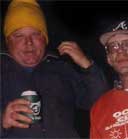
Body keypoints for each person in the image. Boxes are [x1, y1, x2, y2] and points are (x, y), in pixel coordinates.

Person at [1, 0, 109, 138]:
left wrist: (87, 65)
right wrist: (2, 121)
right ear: (7, 41)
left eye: (35, 34)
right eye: (19, 36)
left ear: (45, 39)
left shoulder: (61, 68)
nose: (28, 42)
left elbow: (101, 101)